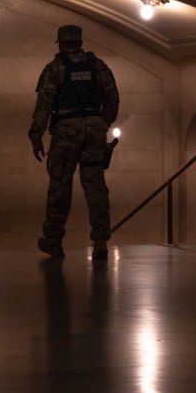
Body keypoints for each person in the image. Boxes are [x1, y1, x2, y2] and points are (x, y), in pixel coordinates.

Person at [29, 24, 120, 262]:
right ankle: (100, 241)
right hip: (94, 130)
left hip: (66, 131)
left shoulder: (55, 69)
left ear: (61, 43)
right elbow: (112, 99)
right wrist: (102, 123)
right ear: (79, 42)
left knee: (60, 185)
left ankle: (54, 240)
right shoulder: (98, 66)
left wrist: (36, 134)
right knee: (95, 186)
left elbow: (44, 105)